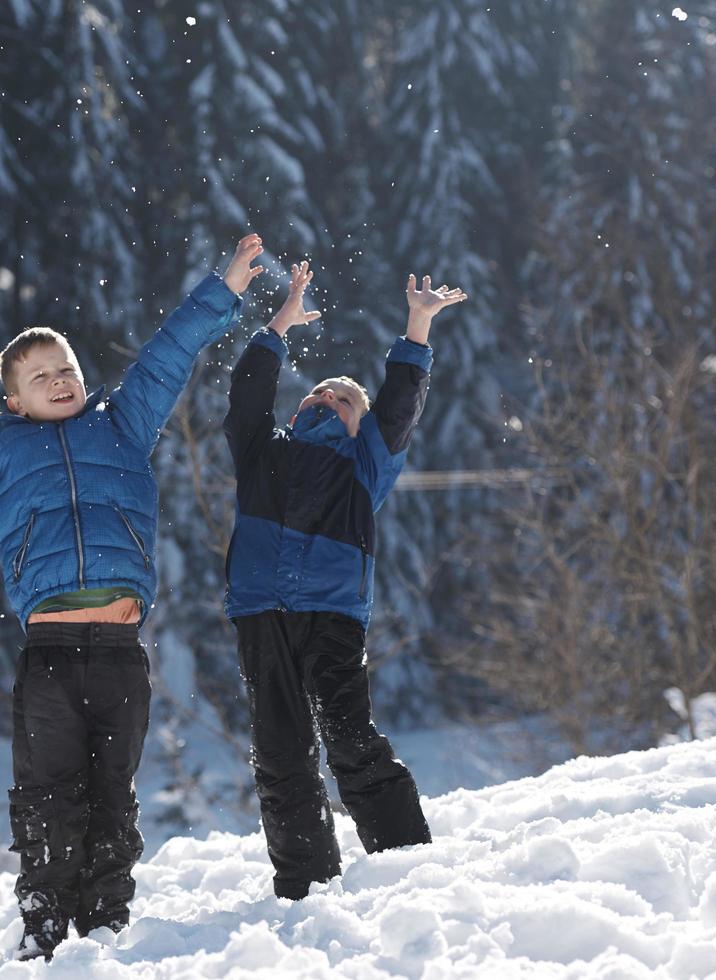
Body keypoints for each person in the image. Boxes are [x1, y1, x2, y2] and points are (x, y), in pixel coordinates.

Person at [0, 234, 266, 959]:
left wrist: (222, 288)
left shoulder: (123, 425)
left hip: (121, 655)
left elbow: (167, 353)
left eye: (66, 368)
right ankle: (44, 935)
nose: (59, 381)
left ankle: (104, 932)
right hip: (52, 658)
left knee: (112, 805)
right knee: (47, 801)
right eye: (40, 376)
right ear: (12, 399)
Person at [222, 260, 466, 899]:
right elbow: (247, 393)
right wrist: (278, 322)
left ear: (361, 422)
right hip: (260, 614)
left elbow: (399, 405)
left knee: (349, 737)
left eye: (346, 398)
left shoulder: (367, 464)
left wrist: (417, 326)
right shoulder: (261, 453)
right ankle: (306, 887)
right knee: (279, 753)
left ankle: (407, 865)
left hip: (331, 614)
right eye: (322, 392)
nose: (331, 398)